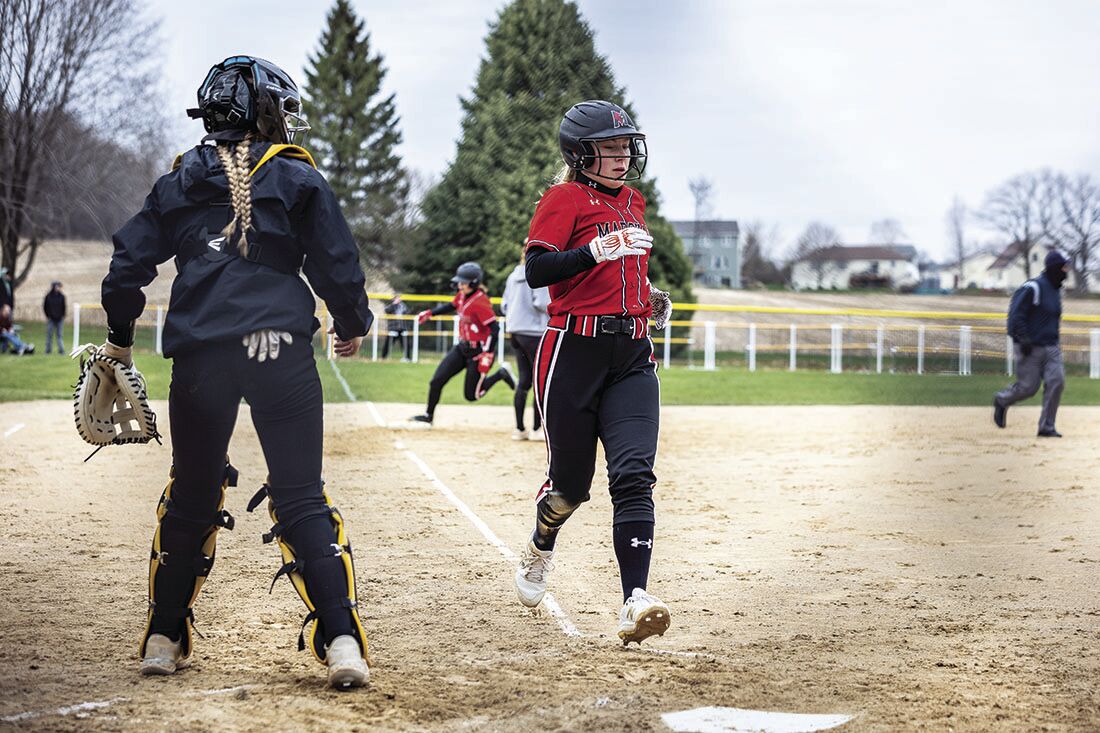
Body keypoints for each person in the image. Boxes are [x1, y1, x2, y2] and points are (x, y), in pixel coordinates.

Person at [100, 55, 373, 689]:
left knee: (193, 489)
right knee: (302, 493)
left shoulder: (179, 179)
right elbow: (338, 259)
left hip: (202, 354)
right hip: (279, 348)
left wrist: (119, 339)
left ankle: (163, 636)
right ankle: (341, 641)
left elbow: (126, 266)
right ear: (264, 112)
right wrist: (350, 320)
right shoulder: (296, 177)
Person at [512, 100, 673, 645]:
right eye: (609, 145)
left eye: (626, 144)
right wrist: (594, 250)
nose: (623, 154)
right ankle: (540, 546)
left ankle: (636, 599)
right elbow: (538, 270)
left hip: (630, 354)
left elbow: (623, 274)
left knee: (633, 477)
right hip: (572, 354)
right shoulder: (563, 198)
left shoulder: (633, 201)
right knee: (570, 489)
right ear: (581, 154)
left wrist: (646, 297)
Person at [410, 262, 516, 426]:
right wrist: (431, 313)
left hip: (478, 352)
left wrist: (487, 353)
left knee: (472, 395)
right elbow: (451, 305)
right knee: (436, 381)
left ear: (474, 283)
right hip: (461, 348)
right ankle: (428, 416)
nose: (459, 284)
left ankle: (502, 373)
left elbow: (494, 329)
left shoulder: (481, 302)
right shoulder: (461, 295)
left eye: (463, 282)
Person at [993, 249, 1070, 437]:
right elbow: (1015, 315)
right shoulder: (1033, 287)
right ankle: (1002, 400)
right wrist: (1022, 338)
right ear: (1054, 268)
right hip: (1030, 346)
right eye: (1063, 267)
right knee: (1028, 388)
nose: (1066, 271)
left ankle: (1046, 427)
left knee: (1057, 381)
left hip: (1052, 347)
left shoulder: (1056, 291)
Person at [501, 246, 550, 440]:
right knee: (540, 381)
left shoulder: (512, 276)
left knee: (524, 380)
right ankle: (537, 429)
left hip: (515, 331)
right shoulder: (538, 274)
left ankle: (520, 429)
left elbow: (504, 305)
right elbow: (541, 303)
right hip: (534, 332)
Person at [381, 294, 412, 361]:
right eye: (396, 298)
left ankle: (408, 358)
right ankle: (383, 357)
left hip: (402, 328)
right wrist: (394, 304)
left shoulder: (403, 306)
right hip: (393, 328)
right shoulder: (391, 306)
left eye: (399, 298)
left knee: (405, 344)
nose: (398, 299)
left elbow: (408, 313)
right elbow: (387, 311)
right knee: (388, 343)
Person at [43, 281, 66, 354]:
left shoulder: (62, 296)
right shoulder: (48, 296)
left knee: (59, 335)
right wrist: (48, 315)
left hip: (60, 319)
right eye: (57, 286)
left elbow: (64, 307)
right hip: (51, 319)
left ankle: (61, 350)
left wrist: (62, 315)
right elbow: (45, 307)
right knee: (49, 335)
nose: (58, 288)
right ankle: (48, 350)